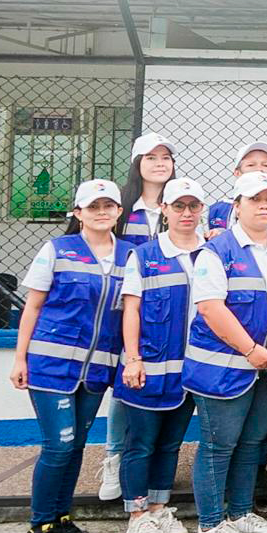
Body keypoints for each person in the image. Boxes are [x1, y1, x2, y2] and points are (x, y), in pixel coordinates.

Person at [11, 179, 132, 533]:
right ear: (78, 213)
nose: (101, 212)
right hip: (50, 366)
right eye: (93, 206)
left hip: (96, 371)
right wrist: (19, 358)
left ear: (118, 212)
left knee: (77, 445)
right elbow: (32, 307)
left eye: (108, 205)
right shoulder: (58, 250)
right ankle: (40, 527)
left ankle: (62, 518)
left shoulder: (130, 255)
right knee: (58, 445)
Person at [183, 171, 267, 533]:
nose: (264, 205)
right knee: (219, 445)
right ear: (237, 206)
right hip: (224, 369)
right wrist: (251, 349)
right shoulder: (219, 251)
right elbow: (212, 308)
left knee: (252, 445)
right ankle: (210, 526)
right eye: (254, 199)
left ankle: (241, 512)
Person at [116, 178, 207, 533]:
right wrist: (133, 358)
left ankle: (158, 506)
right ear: (165, 210)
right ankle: (137, 518)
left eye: (193, 206)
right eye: (178, 206)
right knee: (141, 444)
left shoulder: (212, 252)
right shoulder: (145, 255)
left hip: (190, 371)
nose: (186, 213)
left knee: (170, 445)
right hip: (149, 369)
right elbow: (132, 309)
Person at [102, 132, 179, 503]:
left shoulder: (178, 206)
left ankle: (153, 471)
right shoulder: (122, 209)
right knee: (125, 381)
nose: (160, 163)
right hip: (125, 306)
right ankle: (114, 456)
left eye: (166, 157)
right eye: (151, 157)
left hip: (166, 312)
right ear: (137, 164)